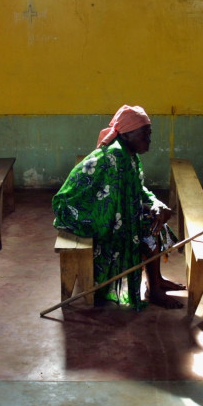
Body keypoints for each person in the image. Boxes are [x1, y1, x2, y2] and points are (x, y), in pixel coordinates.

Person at [52, 104, 185, 310]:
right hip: (81, 213)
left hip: (99, 207)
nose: (149, 140)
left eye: (149, 134)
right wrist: (149, 211)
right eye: (145, 134)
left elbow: (135, 189)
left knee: (153, 221)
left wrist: (156, 204)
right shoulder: (115, 158)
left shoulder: (128, 154)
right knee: (148, 228)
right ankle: (155, 289)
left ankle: (155, 280)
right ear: (128, 134)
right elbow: (117, 203)